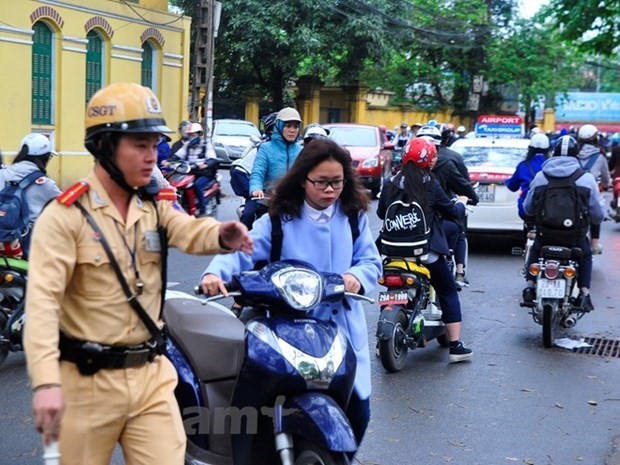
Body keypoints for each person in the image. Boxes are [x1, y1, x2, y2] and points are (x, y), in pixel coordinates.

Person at [23, 82, 253, 465]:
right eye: (140, 145)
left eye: (154, 145)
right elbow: (43, 305)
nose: (152, 156)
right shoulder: (64, 217)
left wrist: (220, 235)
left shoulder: (152, 206)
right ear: (105, 146)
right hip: (86, 384)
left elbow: (185, 230)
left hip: (151, 377)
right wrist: (46, 382)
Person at [201, 138, 382, 456]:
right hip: (288, 331)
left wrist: (356, 277)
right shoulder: (278, 219)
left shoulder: (353, 217)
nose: (330, 190)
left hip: (343, 331)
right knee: (259, 406)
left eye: (337, 182)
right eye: (322, 182)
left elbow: (370, 262)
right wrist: (215, 274)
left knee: (358, 412)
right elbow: (241, 249)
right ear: (303, 180)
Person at [378, 138, 473, 363]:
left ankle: (383, 338)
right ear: (429, 161)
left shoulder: (390, 181)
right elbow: (451, 211)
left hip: (391, 252)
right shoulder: (430, 183)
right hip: (424, 254)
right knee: (448, 290)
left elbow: (382, 213)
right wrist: (461, 202)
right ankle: (455, 346)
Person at [522, 135, 605, 311]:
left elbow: (528, 208)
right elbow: (597, 214)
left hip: (546, 235)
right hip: (574, 238)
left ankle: (530, 286)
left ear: (554, 153)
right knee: (586, 255)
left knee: (536, 250)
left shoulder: (540, 177)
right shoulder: (586, 178)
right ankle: (584, 292)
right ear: (576, 155)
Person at [417, 125, 478, 287]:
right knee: (458, 229)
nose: (431, 160)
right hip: (431, 226)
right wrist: (467, 199)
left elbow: (383, 210)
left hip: (397, 240)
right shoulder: (435, 178)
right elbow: (462, 186)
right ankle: (459, 273)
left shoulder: (397, 176)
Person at [0, 133, 61, 257]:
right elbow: (67, 208)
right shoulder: (46, 184)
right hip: (28, 248)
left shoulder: (2, 174)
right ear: (45, 158)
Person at [243, 107, 303, 228]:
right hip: (267, 197)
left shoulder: (302, 151)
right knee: (248, 216)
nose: (292, 130)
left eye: (295, 126)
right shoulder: (265, 148)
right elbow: (257, 172)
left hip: (293, 199)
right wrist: (256, 188)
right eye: (288, 126)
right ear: (279, 126)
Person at [168, 122, 218, 216]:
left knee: (197, 185)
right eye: (190, 135)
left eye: (194, 134)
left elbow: (212, 158)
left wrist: (205, 164)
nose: (192, 137)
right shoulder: (187, 145)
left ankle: (203, 208)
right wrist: (169, 161)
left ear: (199, 134)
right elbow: (178, 155)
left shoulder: (206, 145)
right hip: (189, 172)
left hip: (204, 173)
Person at [577, 124, 610, 254]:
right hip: (592, 191)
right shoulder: (600, 156)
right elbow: (606, 177)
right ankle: (594, 243)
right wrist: (606, 184)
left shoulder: (574, 154)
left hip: (572, 189)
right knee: (596, 212)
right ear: (596, 139)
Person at [506, 133, 550, 225]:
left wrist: (506, 181)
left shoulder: (523, 166)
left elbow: (512, 187)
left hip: (526, 211)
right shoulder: (552, 166)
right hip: (548, 210)